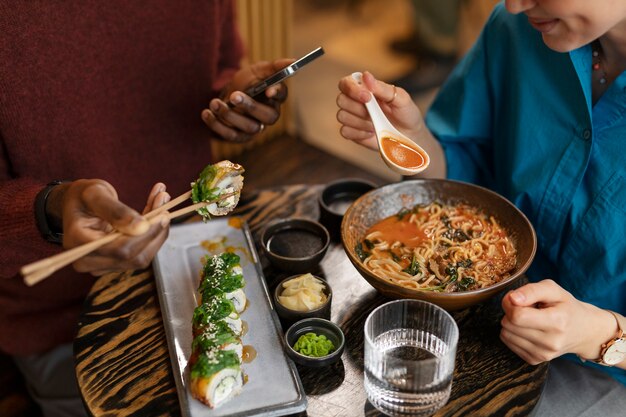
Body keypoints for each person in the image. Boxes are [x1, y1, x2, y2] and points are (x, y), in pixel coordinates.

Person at [0, 1, 291, 416]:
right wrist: (51, 211)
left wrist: (235, 100)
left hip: (194, 256)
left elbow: (219, 67)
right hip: (66, 323)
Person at [337, 0, 626, 415]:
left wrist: (600, 335)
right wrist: (412, 139)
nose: (514, 3)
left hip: (603, 371)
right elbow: (465, 175)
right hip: (474, 314)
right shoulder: (518, 28)